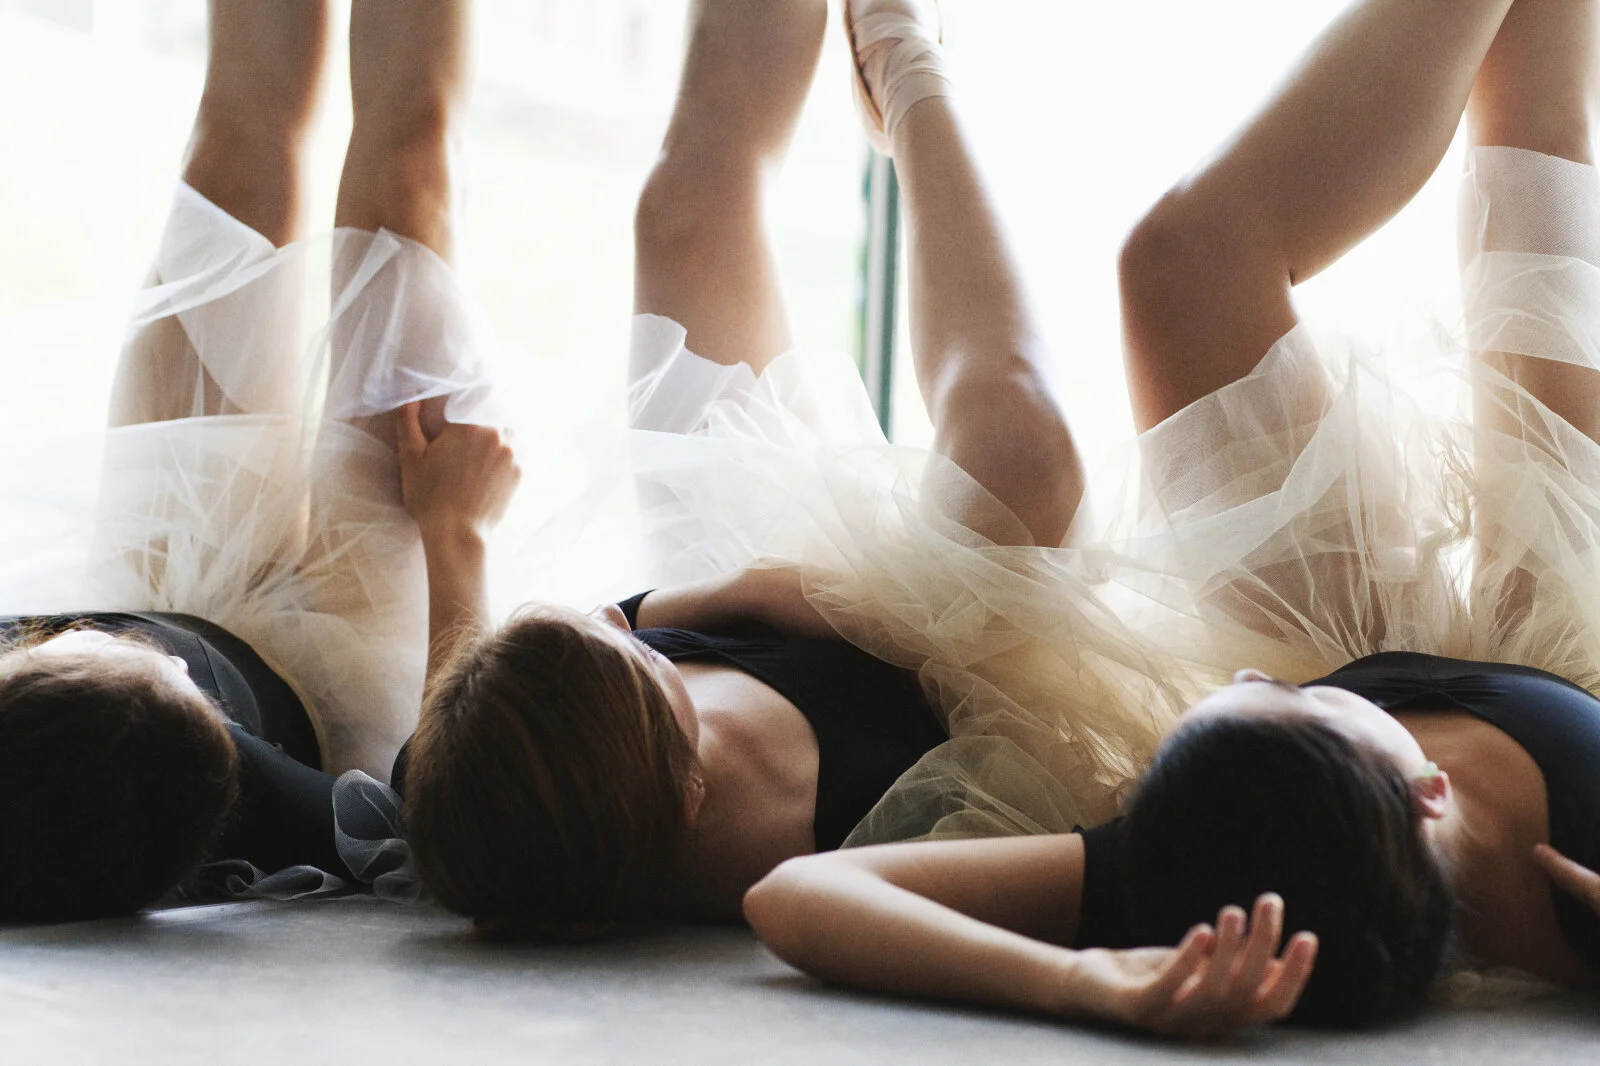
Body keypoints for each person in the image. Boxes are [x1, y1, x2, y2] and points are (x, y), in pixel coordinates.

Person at [747, 0, 1600, 1035]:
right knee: (1535, 133)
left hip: (1358, 662)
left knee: (1177, 266)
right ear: (1427, 789)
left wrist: (1083, 983)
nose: (1243, 677)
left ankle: (904, 75)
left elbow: (797, 897)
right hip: (1581, 650)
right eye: (1285, 697)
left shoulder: (1214, 854)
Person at [396, 0, 1274, 985]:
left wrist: (453, 531)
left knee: (680, 219)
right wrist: (951, 591)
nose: (617, 620)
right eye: (638, 659)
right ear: (690, 799)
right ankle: (906, 68)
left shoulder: (506, 784)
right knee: (1020, 445)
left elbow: (716, 601)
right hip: (974, 686)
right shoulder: (795, 859)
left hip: (815, 580)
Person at [0, 0, 516, 921]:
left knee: (235, 168)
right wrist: (455, 533)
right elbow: (457, 811)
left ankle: (109, 664)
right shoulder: (289, 810)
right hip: (334, 699)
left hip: (156, 590)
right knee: (405, 180)